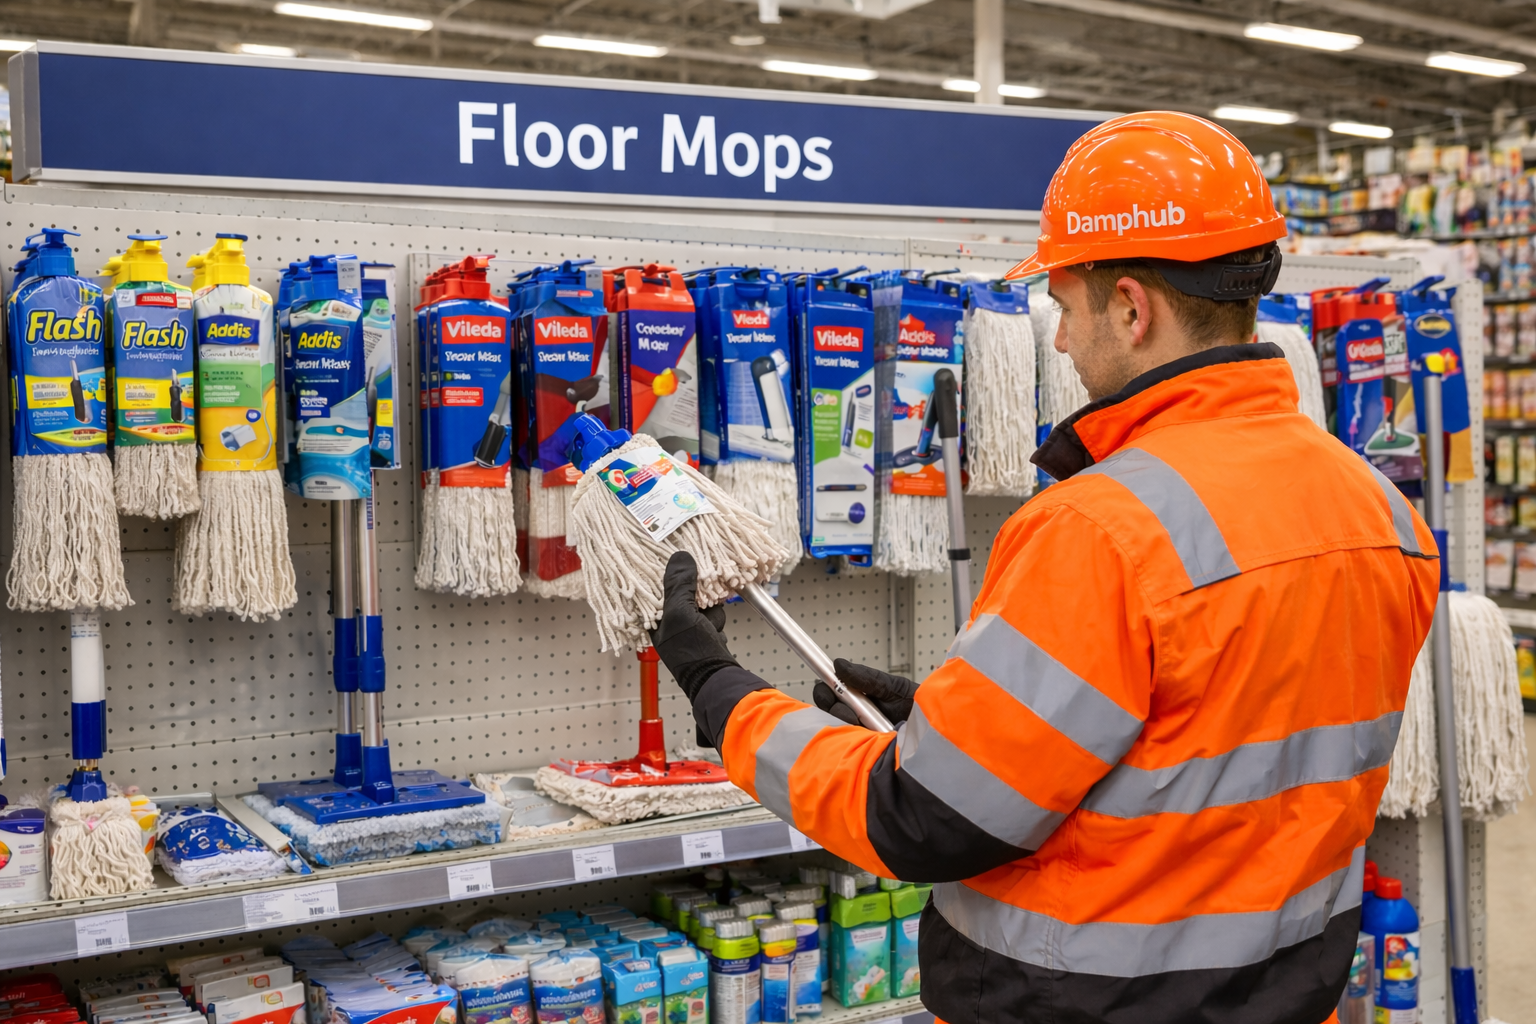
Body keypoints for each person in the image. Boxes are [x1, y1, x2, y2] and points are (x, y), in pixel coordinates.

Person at [649, 111, 1440, 1024]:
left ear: (1132, 307)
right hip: (1292, 995)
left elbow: (918, 819)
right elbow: (1215, 749)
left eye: (1064, 307)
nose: (1058, 342)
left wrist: (722, 695)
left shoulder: (1105, 527)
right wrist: (961, 720)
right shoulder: (1378, 509)